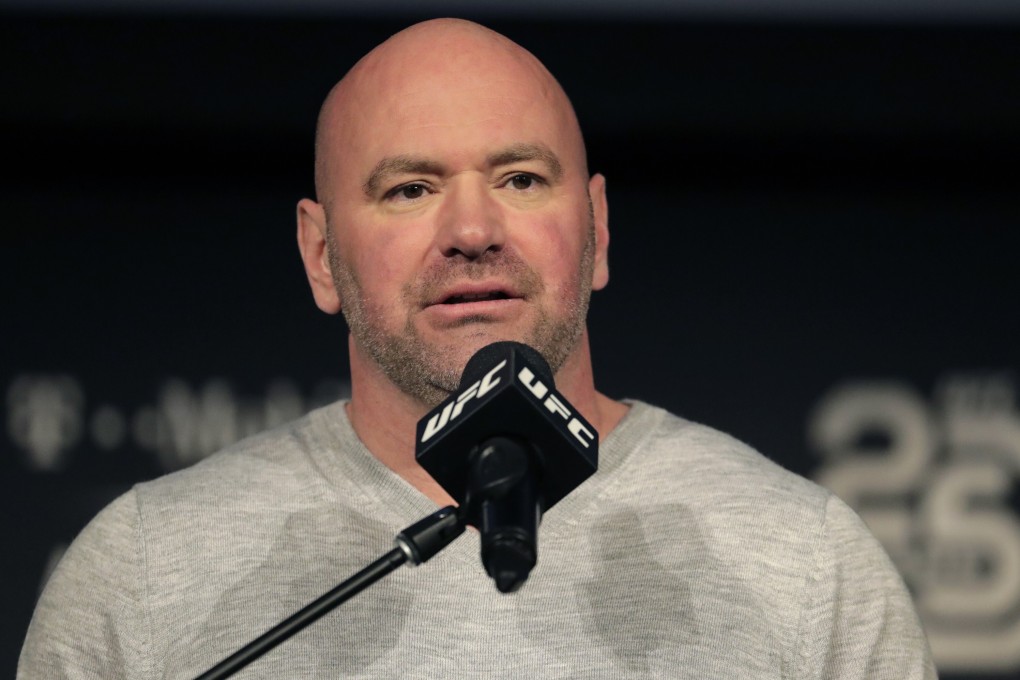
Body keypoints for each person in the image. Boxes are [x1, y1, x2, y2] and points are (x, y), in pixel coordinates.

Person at [19, 18, 936, 679]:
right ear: (320, 255)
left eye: (521, 178)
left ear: (599, 229)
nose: (471, 231)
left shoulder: (806, 563)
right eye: (410, 189)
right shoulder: (140, 571)